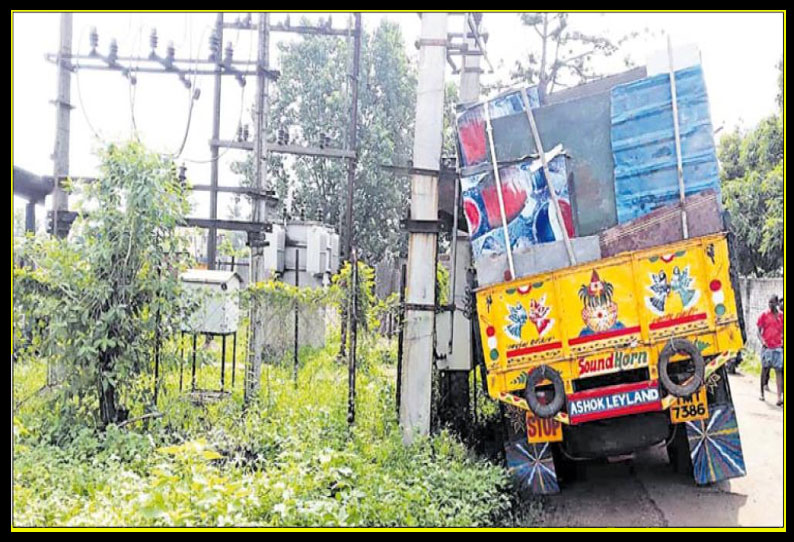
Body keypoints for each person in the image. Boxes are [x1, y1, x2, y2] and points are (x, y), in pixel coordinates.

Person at [757, 294, 784, 406]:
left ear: (777, 304)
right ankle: (762, 393)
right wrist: (762, 341)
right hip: (767, 347)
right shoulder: (764, 315)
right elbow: (758, 331)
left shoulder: (781, 316)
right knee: (764, 370)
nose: (771, 305)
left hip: (778, 347)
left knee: (779, 371)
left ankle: (779, 397)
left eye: (773, 302)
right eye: (769, 302)